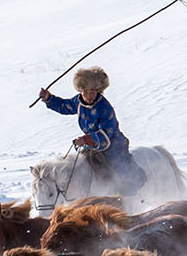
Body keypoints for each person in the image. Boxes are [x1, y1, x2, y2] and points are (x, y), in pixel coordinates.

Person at [38, 66, 147, 195]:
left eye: (93, 92)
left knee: (119, 165)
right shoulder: (77, 102)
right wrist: (48, 98)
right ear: (80, 91)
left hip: (113, 142)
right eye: (86, 92)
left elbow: (107, 131)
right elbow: (63, 106)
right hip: (92, 144)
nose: (89, 96)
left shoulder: (104, 107)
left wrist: (86, 139)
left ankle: (130, 192)